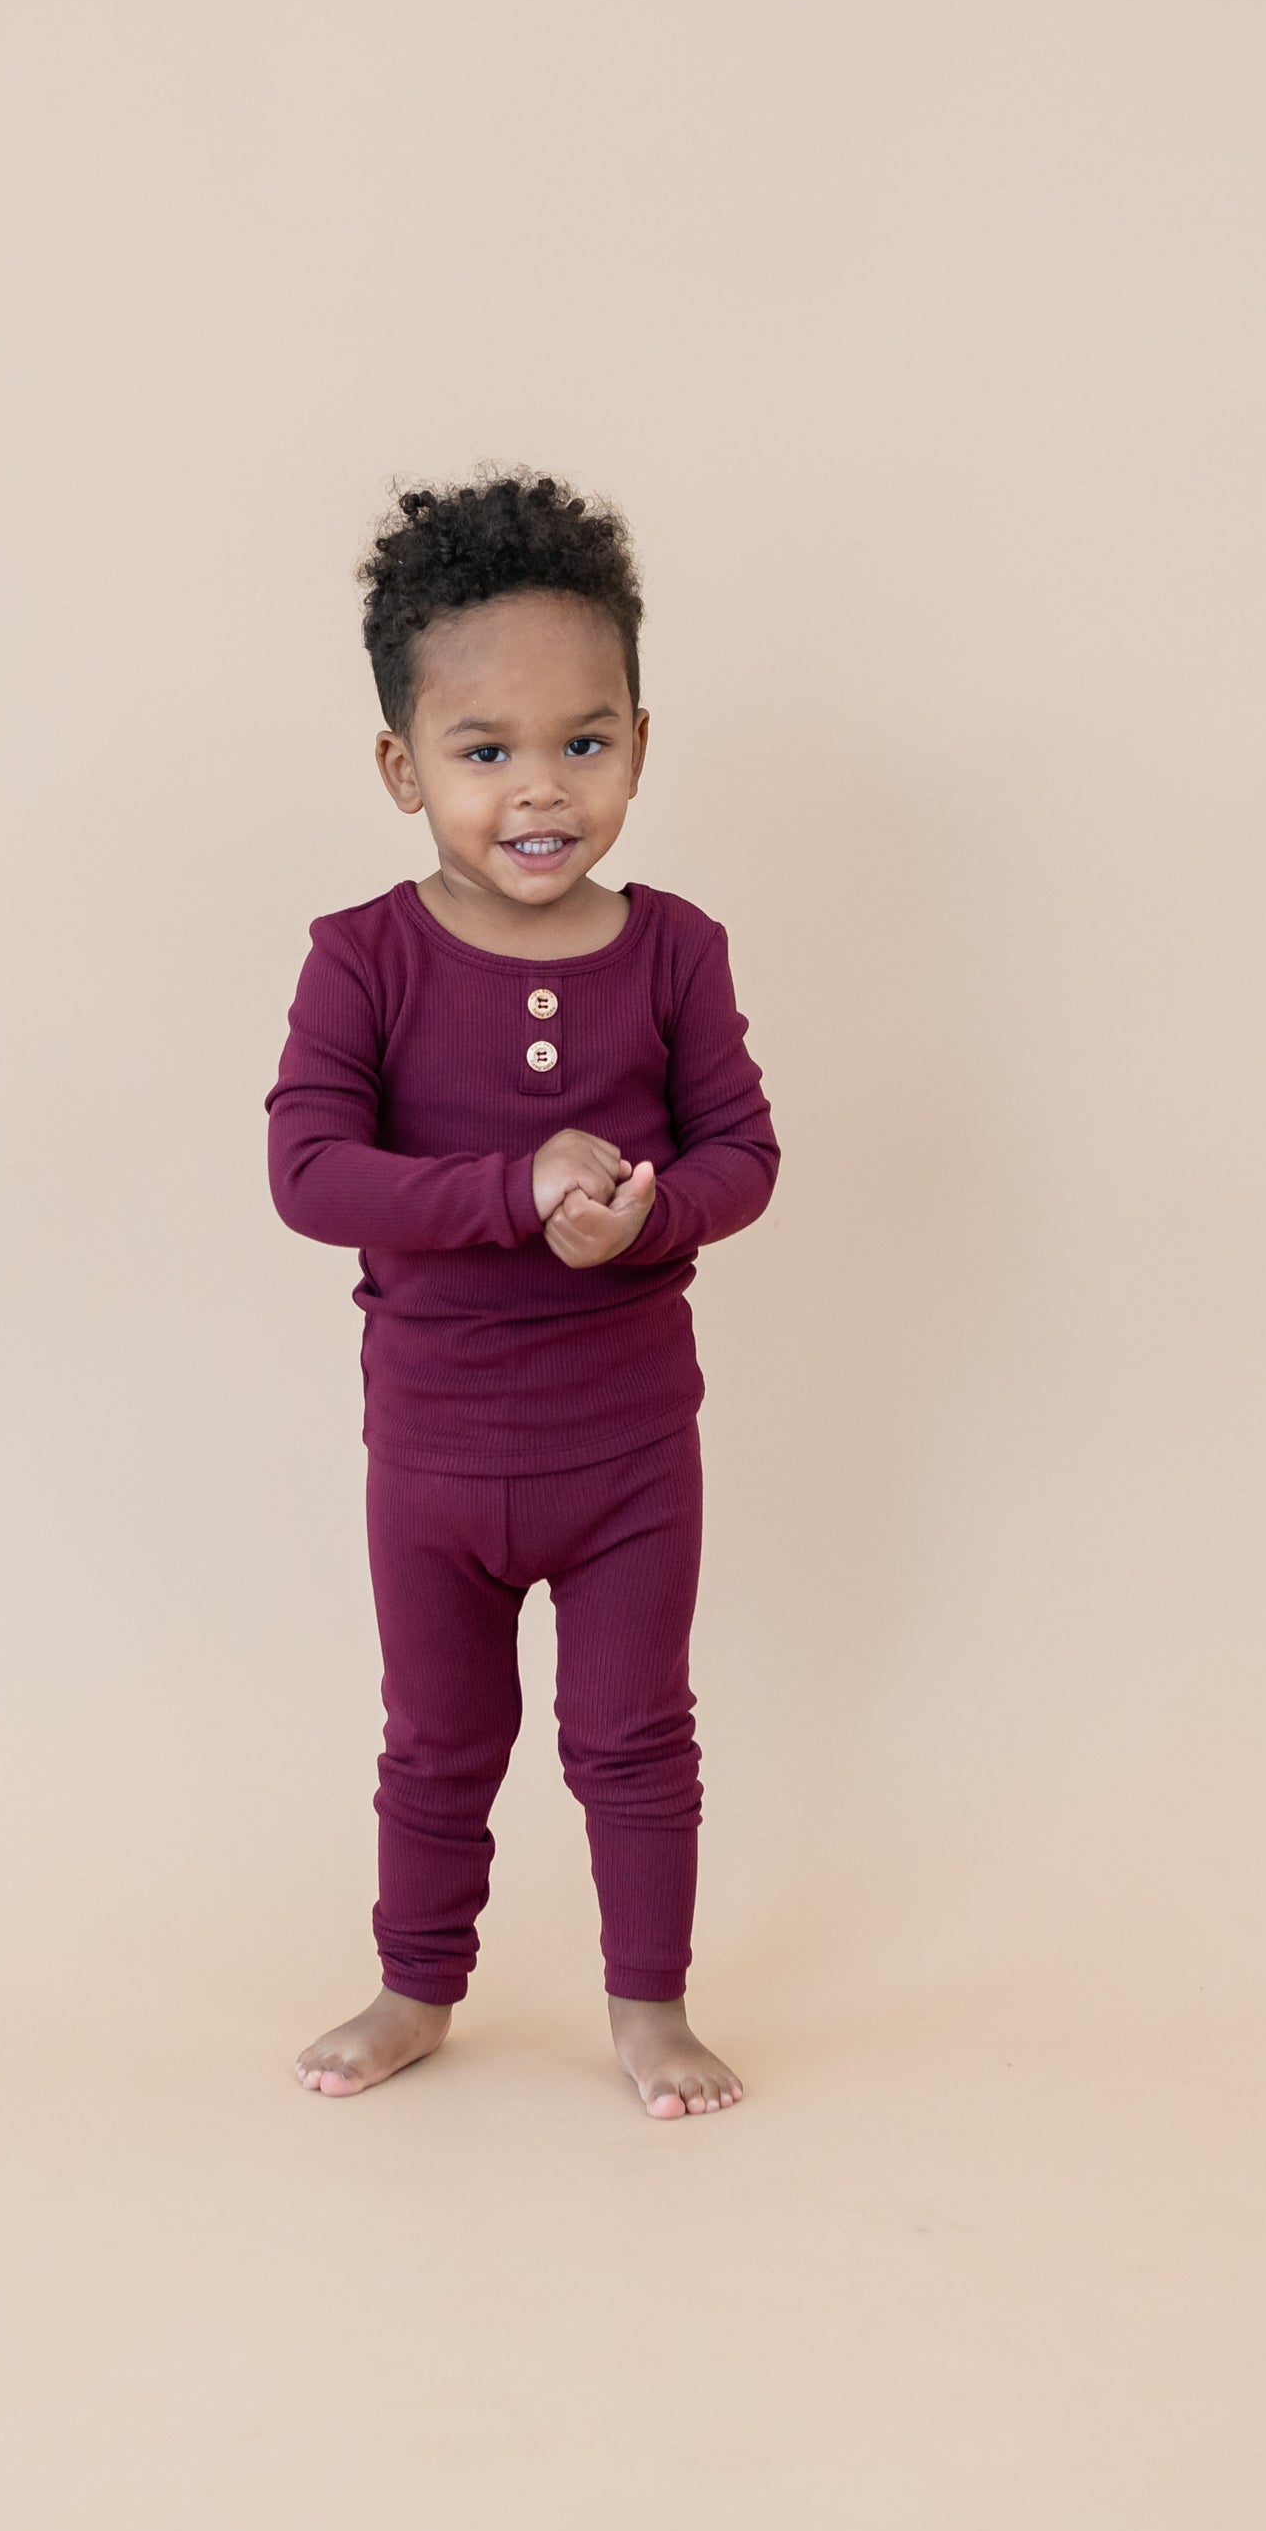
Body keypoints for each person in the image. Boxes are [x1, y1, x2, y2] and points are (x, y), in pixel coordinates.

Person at [266, 470, 779, 2117]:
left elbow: (746, 1156)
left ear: (639, 737)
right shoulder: (367, 956)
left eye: (584, 740)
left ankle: (649, 2007)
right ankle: (417, 1987)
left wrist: (638, 1220)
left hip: (629, 1451)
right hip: (433, 1456)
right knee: (439, 1743)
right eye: (485, 753)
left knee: (635, 1739)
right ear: (404, 767)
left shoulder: (676, 949)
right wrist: (511, 1190)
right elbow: (310, 1172)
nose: (539, 789)